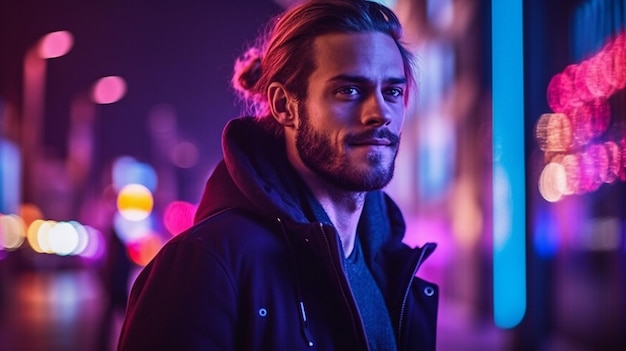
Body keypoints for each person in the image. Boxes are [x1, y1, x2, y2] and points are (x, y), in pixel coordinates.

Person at [117, 0, 438, 350]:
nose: (380, 113)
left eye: (392, 91)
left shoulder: (390, 267)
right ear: (285, 106)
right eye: (349, 90)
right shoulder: (206, 264)